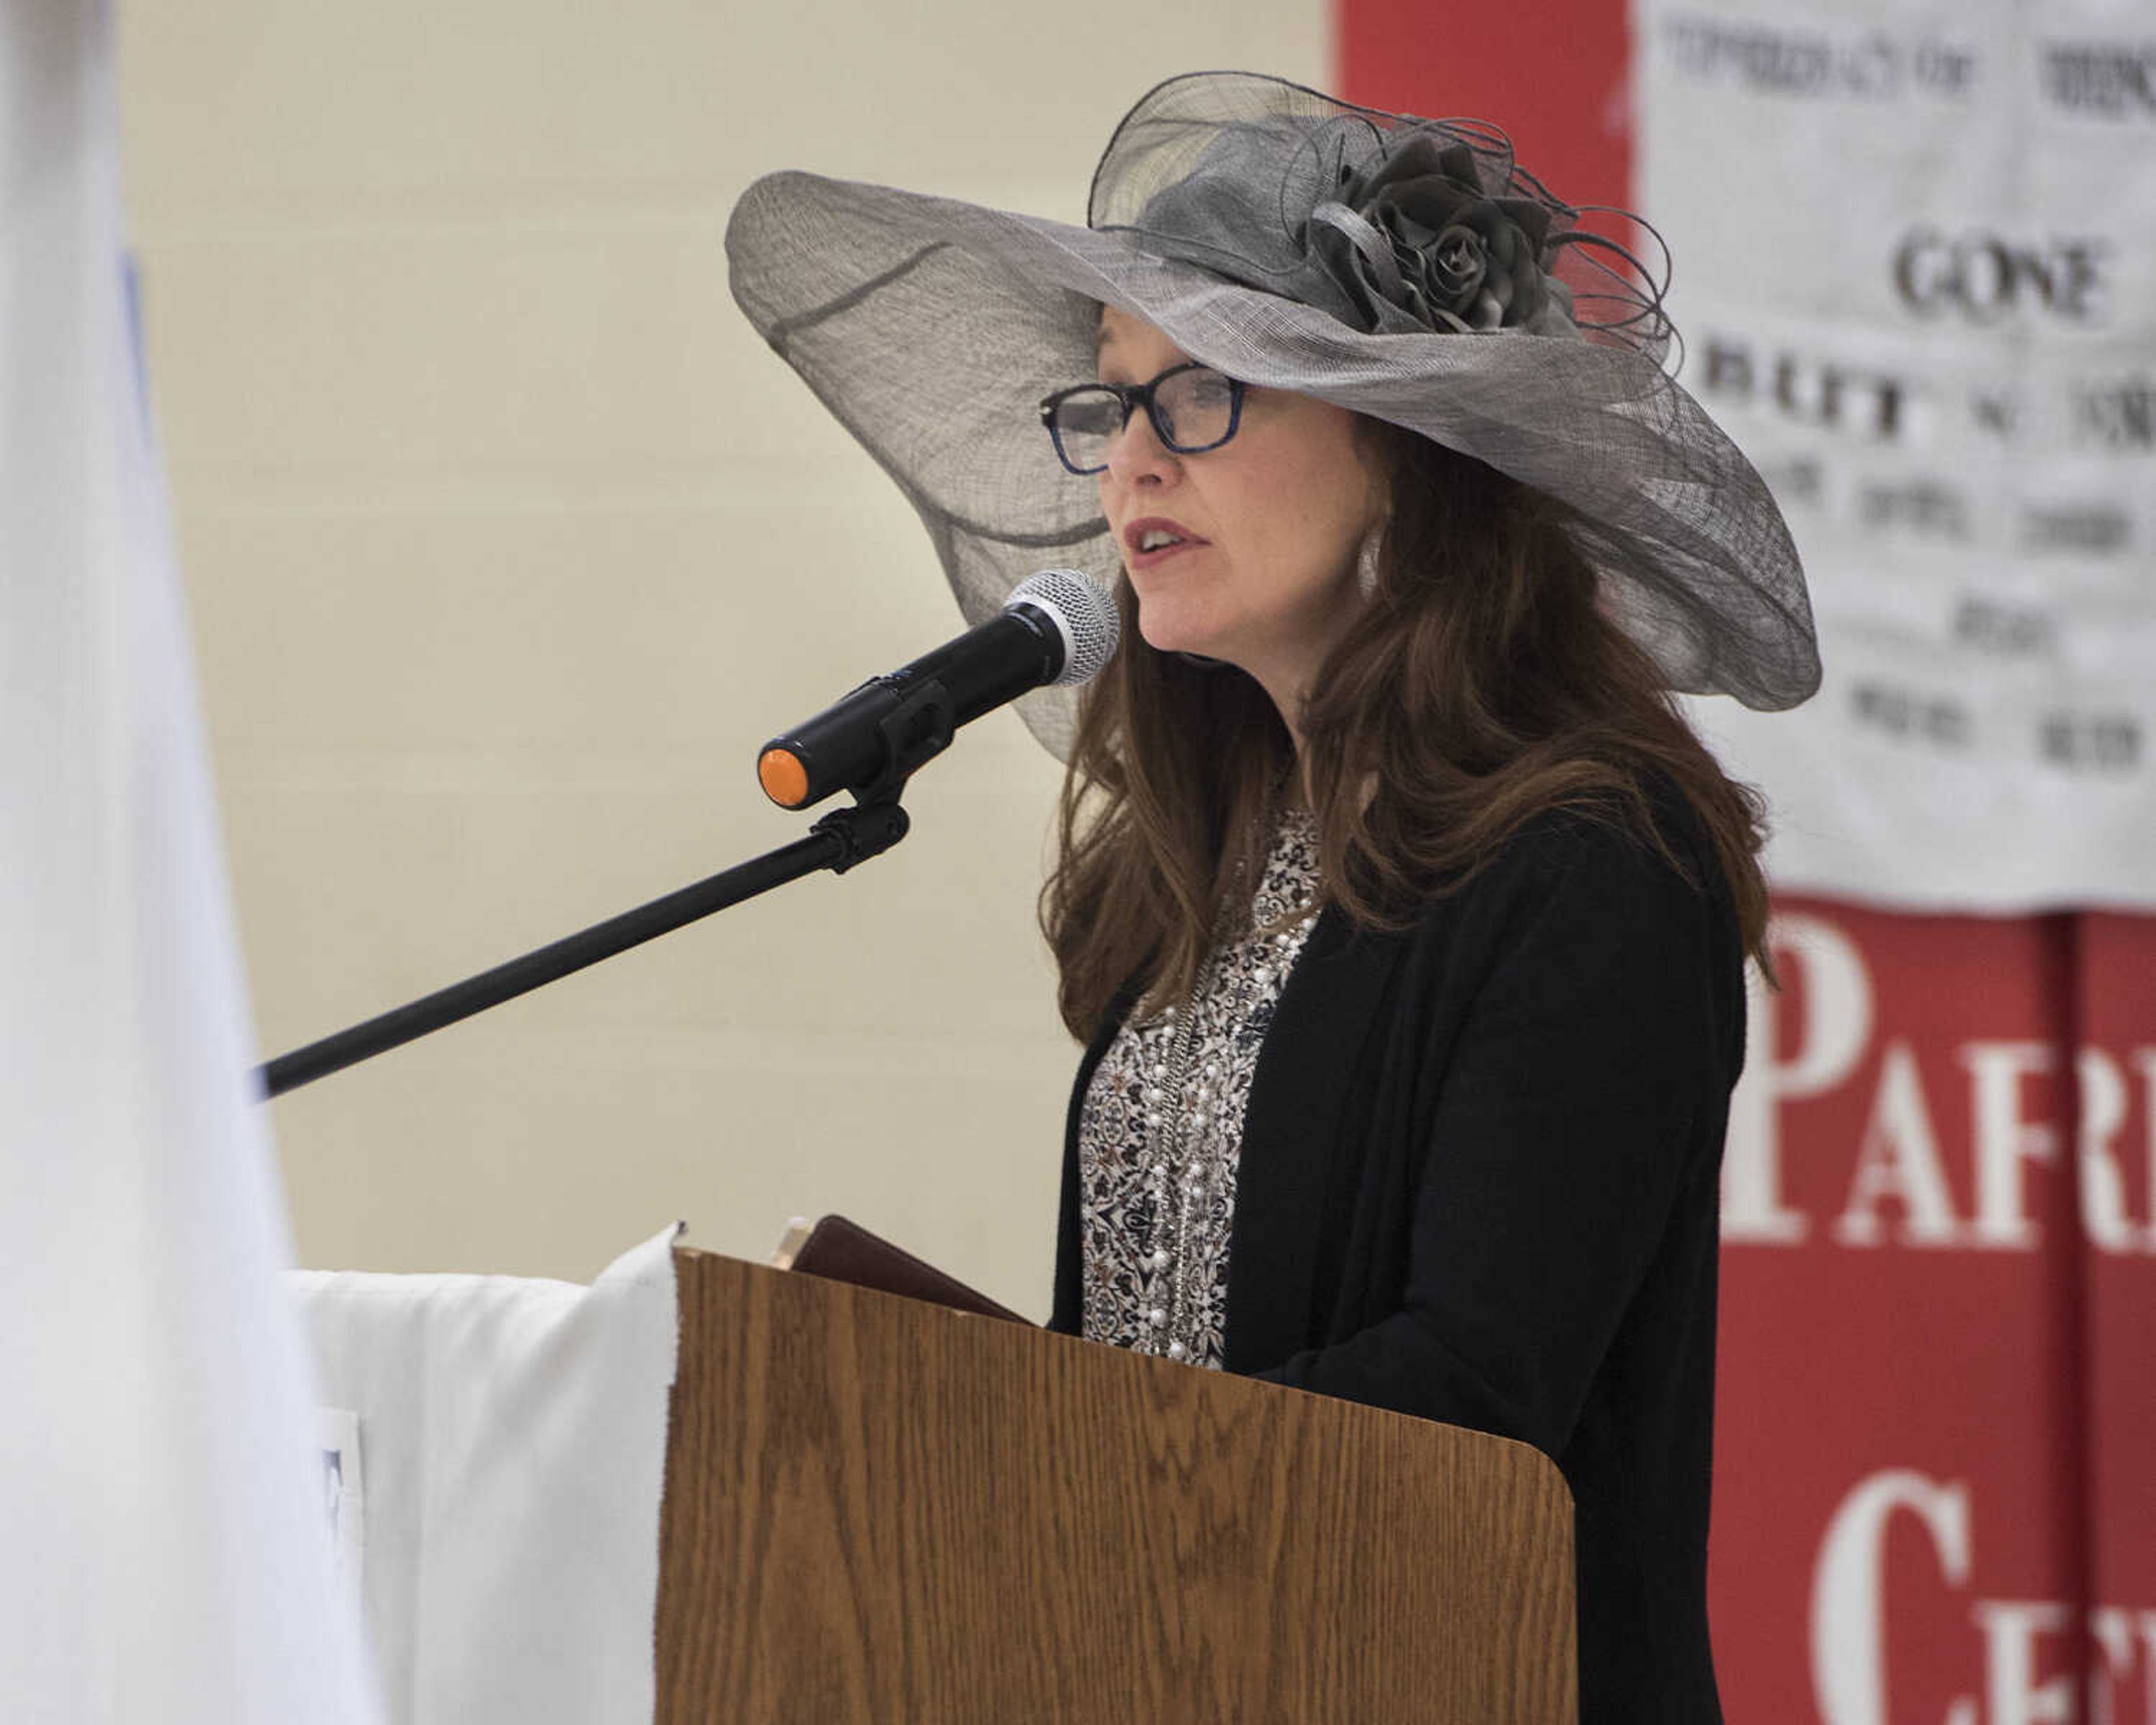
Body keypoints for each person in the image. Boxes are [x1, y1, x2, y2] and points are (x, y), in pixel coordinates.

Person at [727, 70, 1819, 1724]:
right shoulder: (1213, 857)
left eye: (1209, 394)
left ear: (1410, 453)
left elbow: (1472, 1393)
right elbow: (1162, 1344)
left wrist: (1038, 1452)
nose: (1133, 466)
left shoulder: (1598, 862)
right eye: (1113, 406)